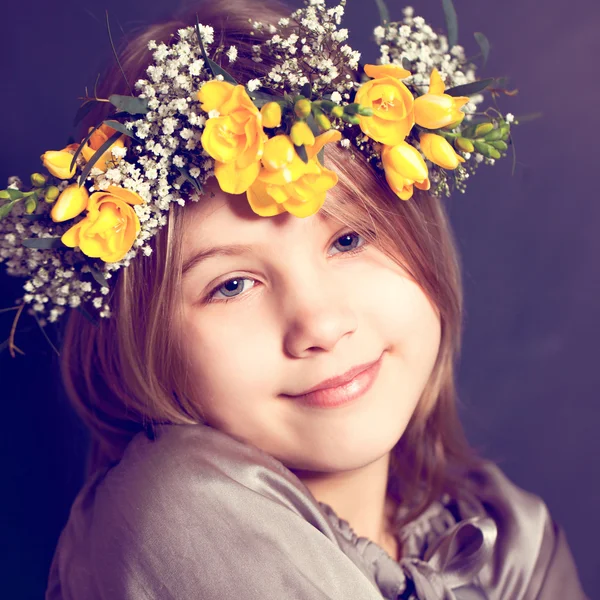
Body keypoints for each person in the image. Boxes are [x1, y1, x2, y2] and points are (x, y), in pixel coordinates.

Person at [0, 0, 588, 598]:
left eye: (349, 239)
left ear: (422, 236)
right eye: (231, 285)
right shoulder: (178, 516)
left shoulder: (511, 539)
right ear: (145, 341)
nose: (322, 324)